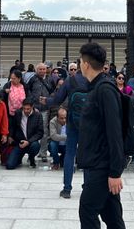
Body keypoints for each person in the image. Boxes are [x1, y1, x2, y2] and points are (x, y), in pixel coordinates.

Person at [76, 42, 126, 229]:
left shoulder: (104, 89)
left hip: (102, 165)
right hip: (97, 162)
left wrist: (115, 172)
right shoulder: (96, 87)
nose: (80, 65)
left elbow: (114, 132)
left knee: (87, 210)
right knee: (112, 216)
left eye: (81, 61)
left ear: (86, 64)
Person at [43, 59, 90, 198]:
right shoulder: (93, 80)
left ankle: (67, 189)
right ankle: (87, 187)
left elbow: (57, 100)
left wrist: (46, 100)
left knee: (70, 154)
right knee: (87, 154)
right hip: (88, 124)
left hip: (72, 122)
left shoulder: (70, 81)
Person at [5, 97, 44, 169]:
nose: (26, 111)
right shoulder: (17, 113)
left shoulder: (38, 115)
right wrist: (10, 136)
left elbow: (40, 133)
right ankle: (18, 159)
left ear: (32, 107)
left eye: (28, 109)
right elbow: (12, 126)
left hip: (31, 142)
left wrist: (28, 142)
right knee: (9, 165)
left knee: (36, 145)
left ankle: (31, 158)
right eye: (24, 108)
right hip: (19, 143)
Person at [26, 62, 54, 161]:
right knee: (32, 130)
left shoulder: (50, 79)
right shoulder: (32, 79)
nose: (42, 71)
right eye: (40, 69)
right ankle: (32, 153)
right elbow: (28, 91)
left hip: (45, 109)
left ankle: (43, 153)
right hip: (35, 108)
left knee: (44, 131)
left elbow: (53, 91)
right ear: (36, 70)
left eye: (43, 69)